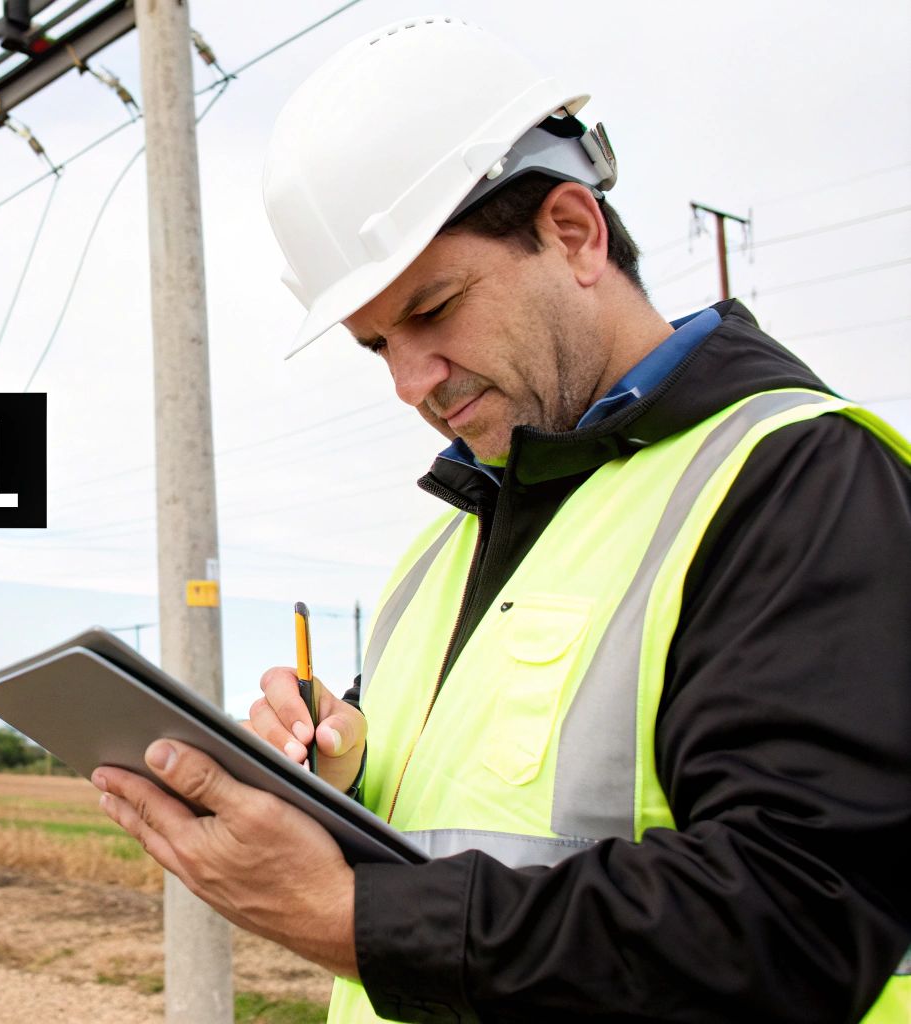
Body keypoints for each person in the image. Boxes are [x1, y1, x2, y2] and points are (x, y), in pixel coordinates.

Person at [88, 15, 910, 1023]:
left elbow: (795, 919)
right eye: (374, 343)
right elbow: (476, 823)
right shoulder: (449, 540)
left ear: (571, 231)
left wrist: (349, 916)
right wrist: (339, 768)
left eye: (432, 309)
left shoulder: (795, 477)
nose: (408, 382)